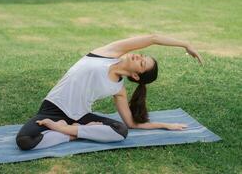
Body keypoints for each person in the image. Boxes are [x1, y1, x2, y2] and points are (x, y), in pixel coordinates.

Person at [15, 34, 204, 150]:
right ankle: (75, 133)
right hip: (51, 109)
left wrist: (164, 125)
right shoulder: (108, 52)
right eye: (143, 56)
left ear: (137, 76)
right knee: (24, 141)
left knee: (120, 131)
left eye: (142, 62)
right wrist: (185, 44)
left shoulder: (118, 89)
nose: (139, 56)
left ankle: (68, 131)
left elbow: (130, 124)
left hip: (78, 117)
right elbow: (153, 38)